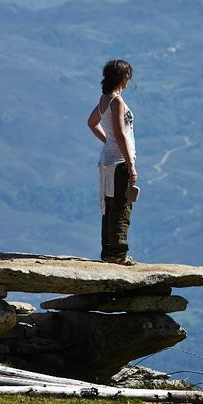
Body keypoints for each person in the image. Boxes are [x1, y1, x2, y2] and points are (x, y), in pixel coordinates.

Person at [87, 59, 138, 265]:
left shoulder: (104, 99)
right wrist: (130, 163)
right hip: (118, 162)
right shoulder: (117, 101)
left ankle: (108, 250)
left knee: (109, 205)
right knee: (121, 205)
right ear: (122, 77)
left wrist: (106, 141)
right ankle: (118, 253)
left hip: (107, 160)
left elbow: (92, 123)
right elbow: (120, 134)